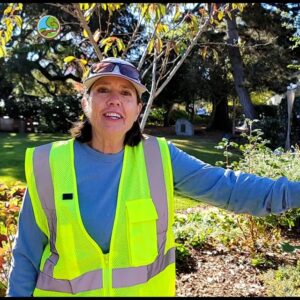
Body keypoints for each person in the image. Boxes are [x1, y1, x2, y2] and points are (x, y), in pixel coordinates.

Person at [7, 57, 300, 297]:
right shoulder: (50, 164)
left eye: (126, 93)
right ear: (86, 102)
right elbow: (27, 255)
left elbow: (230, 189)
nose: (114, 100)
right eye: (103, 90)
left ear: (138, 108)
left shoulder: (159, 158)